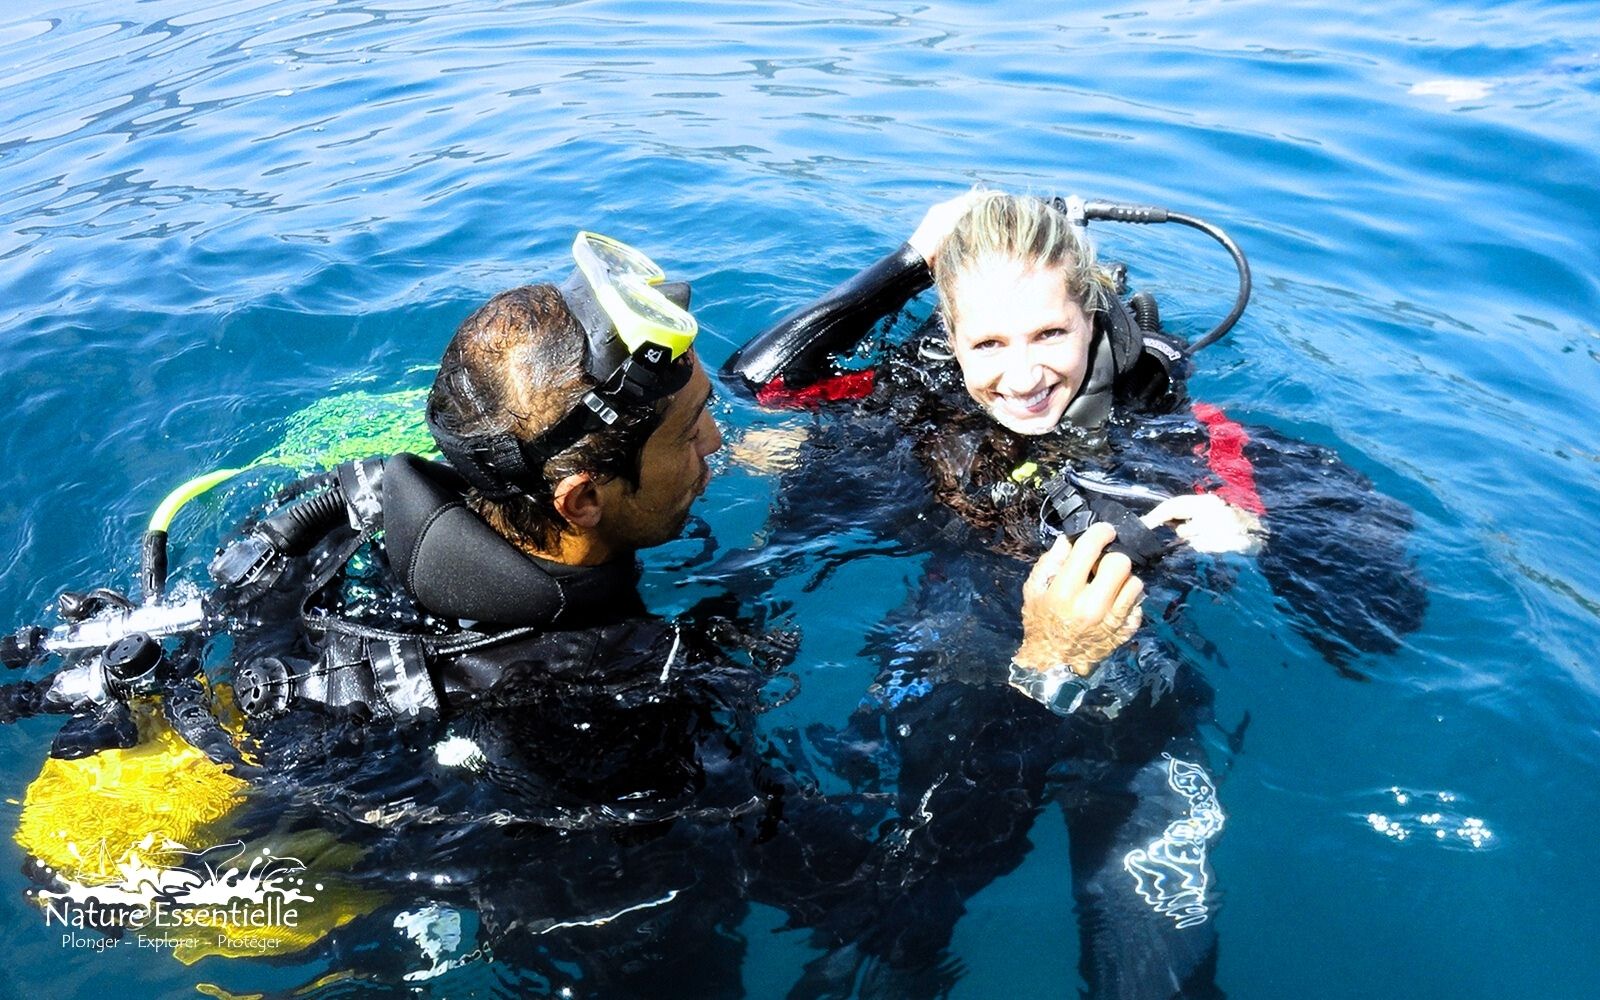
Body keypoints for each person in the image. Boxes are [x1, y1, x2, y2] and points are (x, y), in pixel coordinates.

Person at [4, 230, 1143, 994]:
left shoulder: (353, 512)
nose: (722, 444)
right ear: (580, 501)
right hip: (326, 874)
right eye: (693, 433)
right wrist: (1044, 672)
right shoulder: (609, 715)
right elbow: (887, 898)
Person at [724, 190, 1427, 997]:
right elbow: (755, 385)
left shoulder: (1193, 438)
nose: (1023, 377)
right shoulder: (913, 416)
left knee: (1158, 976)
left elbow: (1387, 614)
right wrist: (910, 263)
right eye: (988, 343)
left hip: (1136, 715)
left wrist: (1259, 537)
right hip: (953, 685)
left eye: (1050, 334)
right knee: (890, 932)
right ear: (950, 336)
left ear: (1093, 318)